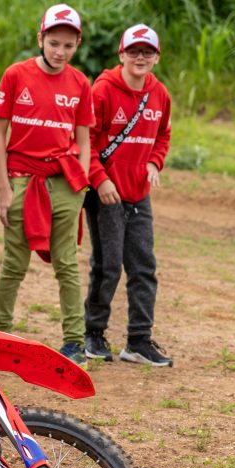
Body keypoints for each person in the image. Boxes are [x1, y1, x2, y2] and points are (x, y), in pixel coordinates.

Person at [0, 4, 94, 368]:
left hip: (64, 183)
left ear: (77, 45)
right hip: (21, 180)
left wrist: (80, 188)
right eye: (54, 43)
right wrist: (4, 189)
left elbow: (84, 138)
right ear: (40, 39)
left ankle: (75, 342)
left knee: (67, 264)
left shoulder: (80, 83)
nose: (60, 51)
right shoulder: (16, 74)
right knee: (14, 264)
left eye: (68, 45)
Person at [83, 24, 173, 367]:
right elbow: (86, 140)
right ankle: (94, 334)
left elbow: (163, 135)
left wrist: (154, 162)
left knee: (144, 266)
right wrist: (100, 179)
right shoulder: (103, 90)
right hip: (106, 193)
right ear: (121, 54)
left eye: (147, 52)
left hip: (139, 194)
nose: (140, 57)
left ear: (156, 57)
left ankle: (138, 340)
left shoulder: (159, 94)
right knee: (107, 266)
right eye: (134, 51)